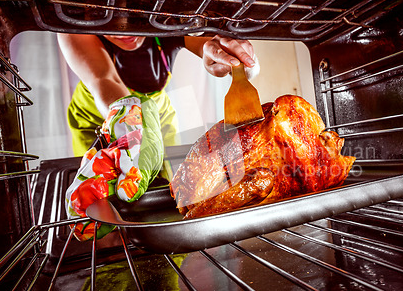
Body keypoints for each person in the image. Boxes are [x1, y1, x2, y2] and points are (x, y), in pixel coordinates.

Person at [58, 34, 258, 240]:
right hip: (99, 112)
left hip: (157, 110)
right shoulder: (72, 29)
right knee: (105, 203)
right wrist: (128, 120)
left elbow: (208, 44)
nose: (124, 32)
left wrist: (236, 56)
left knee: (170, 191)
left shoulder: (172, 17)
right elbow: (104, 78)